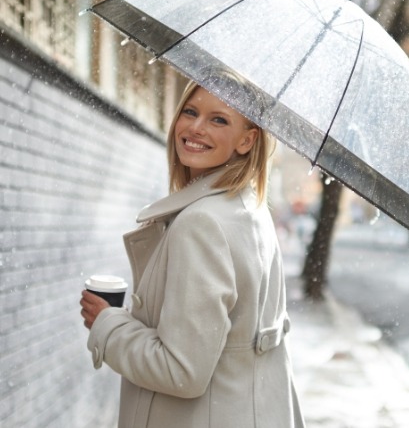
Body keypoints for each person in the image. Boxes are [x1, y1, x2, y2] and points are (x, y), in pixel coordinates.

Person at [80, 71, 305, 428]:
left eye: (218, 119)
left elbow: (181, 370)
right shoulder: (251, 211)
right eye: (190, 111)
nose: (196, 127)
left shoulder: (201, 225)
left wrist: (107, 325)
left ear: (247, 141)